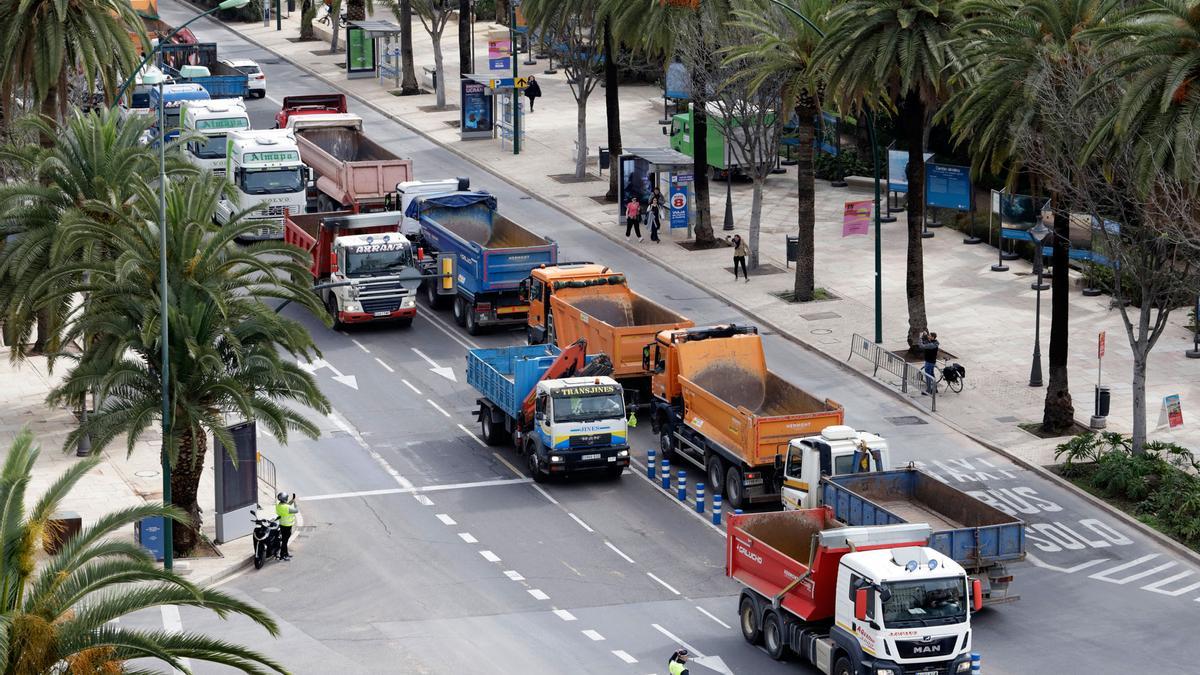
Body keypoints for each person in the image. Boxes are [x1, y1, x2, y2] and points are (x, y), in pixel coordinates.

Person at [275, 491, 299, 560]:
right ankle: (283, 555)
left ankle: (286, 553)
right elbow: (296, 510)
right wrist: (294, 502)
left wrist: (292, 500)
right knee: (285, 542)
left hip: (282, 525)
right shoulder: (287, 508)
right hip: (287, 526)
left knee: (284, 541)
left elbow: (287, 505)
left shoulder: (279, 505)